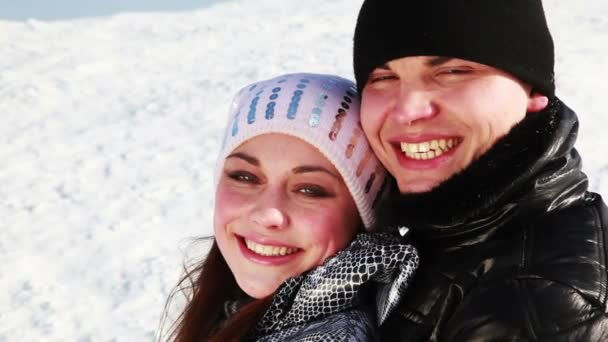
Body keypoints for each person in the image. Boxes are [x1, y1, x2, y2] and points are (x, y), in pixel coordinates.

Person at [352, 0, 608, 341]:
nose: (407, 111)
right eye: (383, 77)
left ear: (533, 90)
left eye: (453, 72)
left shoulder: (530, 303)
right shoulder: (452, 236)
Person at [163, 73, 419, 342]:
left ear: (362, 216)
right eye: (245, 177)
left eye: (310, 190)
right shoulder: (232, 304)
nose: (267, 214)